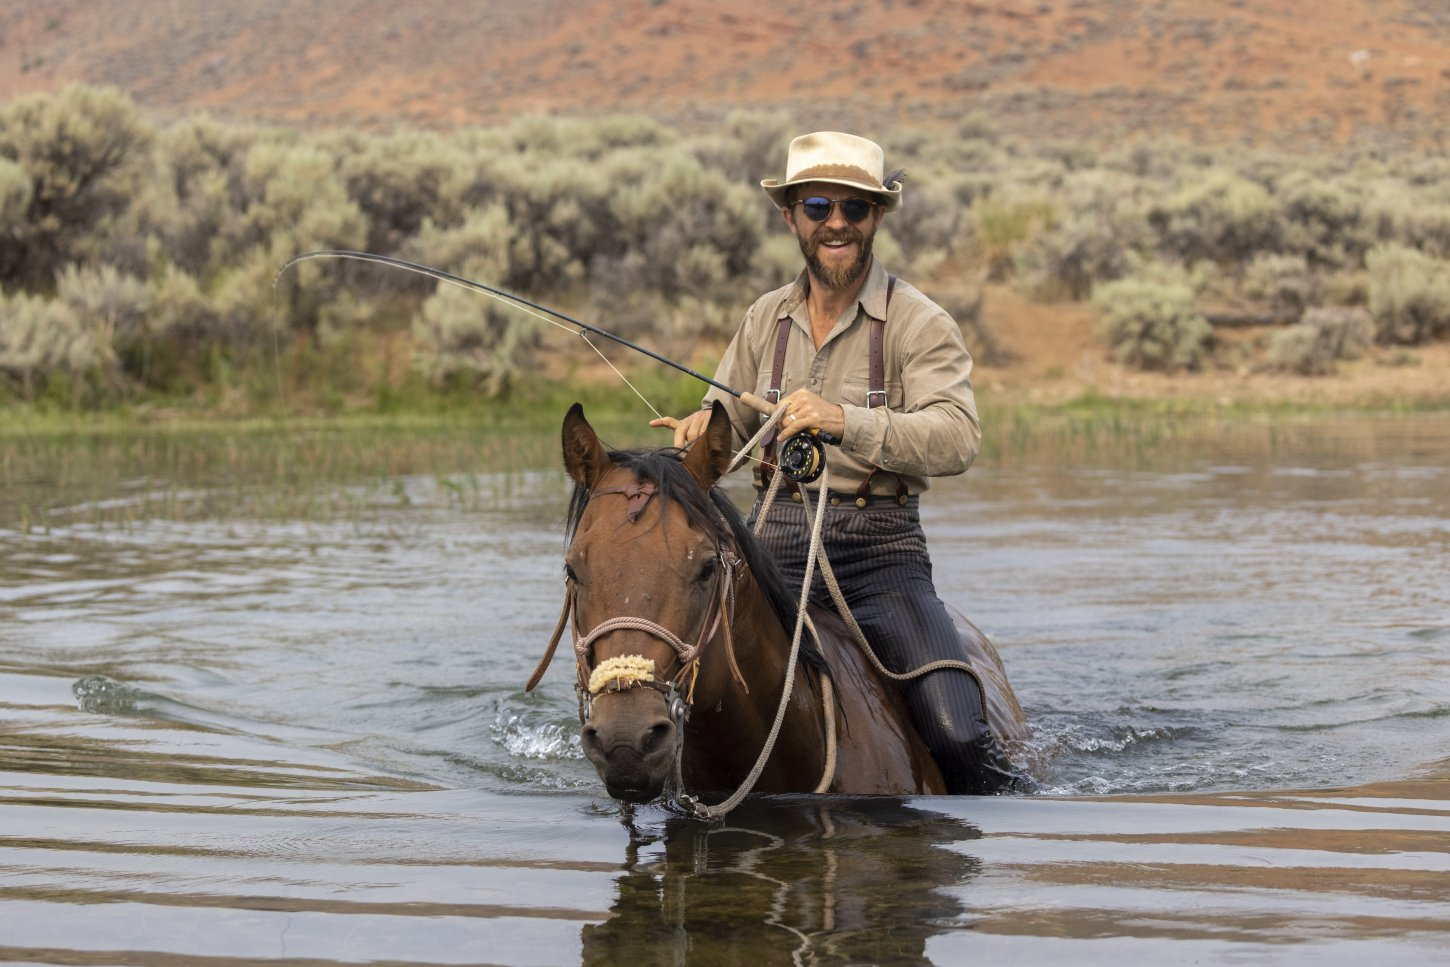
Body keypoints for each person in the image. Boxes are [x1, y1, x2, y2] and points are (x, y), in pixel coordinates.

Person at [651, 131, 1024, 794]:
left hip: (882, 559)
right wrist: (695, 440)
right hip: (769, 550)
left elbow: (957, 437)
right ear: (791, 215)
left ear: (877, 217)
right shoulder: (765, 318)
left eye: (854, 208)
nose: (837, 223)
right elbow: (723, 427)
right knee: (662, 693)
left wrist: (845, 421)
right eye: (818, 206)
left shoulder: (919, 323)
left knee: (957, 731)